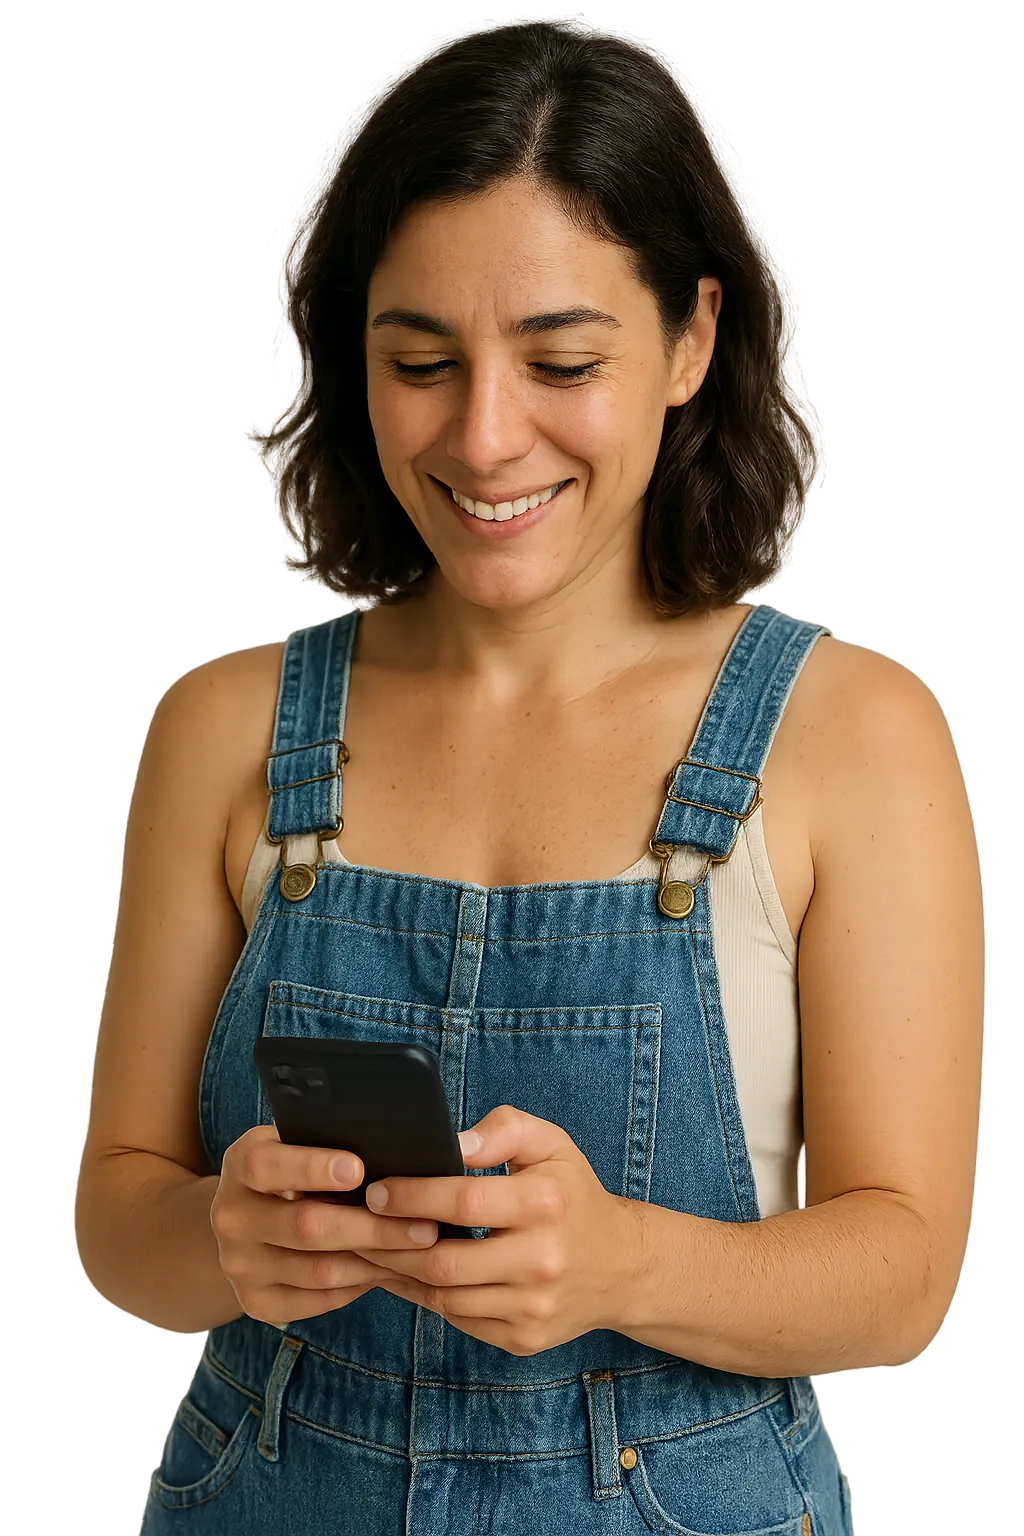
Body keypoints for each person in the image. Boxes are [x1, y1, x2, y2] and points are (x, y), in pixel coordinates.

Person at [74, 18, 984, 1536]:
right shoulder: (224, 728)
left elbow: (902, 1275)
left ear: (691, 341)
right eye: (419, 362)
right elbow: (121, 1209)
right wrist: (224, 1237)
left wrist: (627, 1264)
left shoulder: (851, 734)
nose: (486, 437)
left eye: (563, 361)